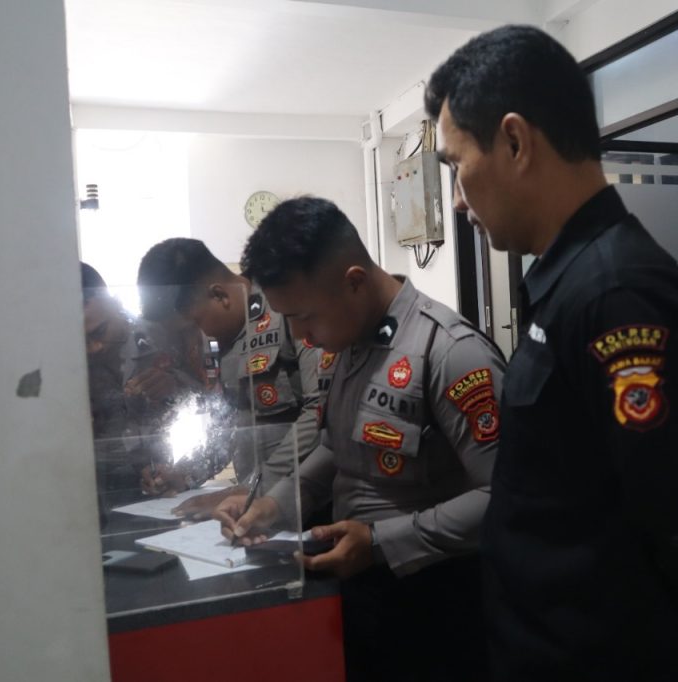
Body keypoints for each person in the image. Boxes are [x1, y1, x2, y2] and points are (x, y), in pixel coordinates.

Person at [426, 25, 678, 681]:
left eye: (456, 165)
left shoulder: (618, 295)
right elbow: (608, 476)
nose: (457, 201)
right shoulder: (569, 283)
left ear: (514, 142)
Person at [213, 197, 505, 682]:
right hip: (362, 592)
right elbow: (337, 447)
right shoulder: (347, 345)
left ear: (354, 282)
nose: (301, 336)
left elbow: (507, 494)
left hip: (438, 604)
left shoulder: (450, 353)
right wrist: (275, 505)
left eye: (305, 316)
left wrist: (381, 542)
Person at [136, 238, 329, 515]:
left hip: (313, 507)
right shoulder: (221, 337)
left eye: (194, 325)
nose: (196, 338)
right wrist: (186, 473)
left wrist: (250, 489)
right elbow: (231, 424)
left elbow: (320, 411)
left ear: (219, 296)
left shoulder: (286, 307)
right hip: (257, 513)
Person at [81, 262, 210, 495]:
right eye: (81, 340)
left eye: (100, 332)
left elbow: (212, 405)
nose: (94, 348)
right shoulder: (65, 364)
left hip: (165, 479)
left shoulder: (164, 335)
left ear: (114, 302)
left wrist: (174, 385)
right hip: (96, 482)